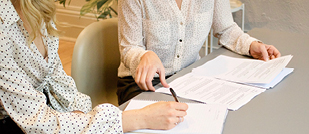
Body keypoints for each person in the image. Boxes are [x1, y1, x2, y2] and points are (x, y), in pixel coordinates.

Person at [0, 0, 188, 134]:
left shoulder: (37, 7)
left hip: (42, 118)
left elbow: (58, 82)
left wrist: (82, 115)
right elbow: (40, 123)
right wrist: (138, 119)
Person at [117, 0, 281, 105]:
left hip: (188, 79)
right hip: (142, 84)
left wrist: (251, 45)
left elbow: (226, 29)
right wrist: (143, 56)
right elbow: (129, 47)